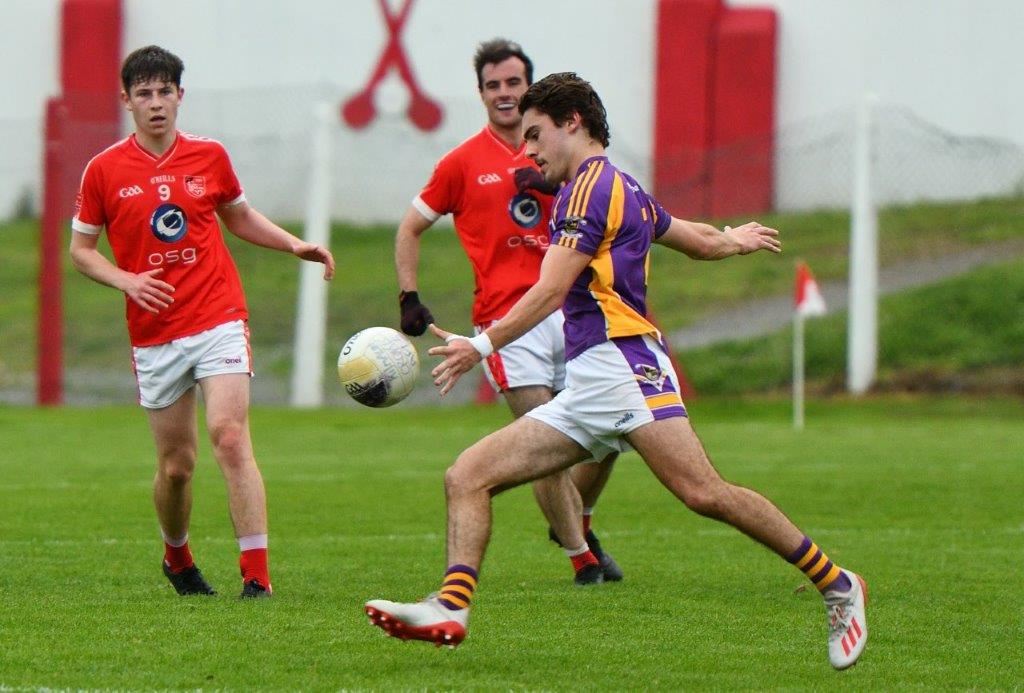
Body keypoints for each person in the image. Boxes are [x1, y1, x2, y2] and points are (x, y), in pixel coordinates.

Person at [366, 72, 868, 670]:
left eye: (534, 135)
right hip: (593, 380)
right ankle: (451, 605)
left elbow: (550, 289)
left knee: (704, 493)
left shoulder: (586, 191)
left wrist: (482, 344)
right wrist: (733, 239)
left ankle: (839, 584)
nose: (526, 152)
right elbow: (693, 239)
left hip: (624, 365)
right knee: (468, 475)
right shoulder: (622, 185)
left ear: (572, 122)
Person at [69, 45, 335, 599]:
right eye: (144, 93)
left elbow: (238, 216)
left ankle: (256, 579)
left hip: (218, 315)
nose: (156, 103)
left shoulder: (209, 156)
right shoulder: (104, 170)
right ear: (127, 101)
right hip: (155, 333)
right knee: (177, 467)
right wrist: (128, 280)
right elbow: (82, 251)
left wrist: (293, 244)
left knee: (231, 438)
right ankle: (177, 556)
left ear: (180, 96)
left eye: (165, 91)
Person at [395, 39, 620, 585]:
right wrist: (408, 296)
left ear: (529, 88)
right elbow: (410, 228)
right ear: (480, 93)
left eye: (513, 83)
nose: (504, 94)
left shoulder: (558, 149)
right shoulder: (461, 162)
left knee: (610, 429)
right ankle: (583, 560)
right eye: (493, 85)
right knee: (540, 434)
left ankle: (573, 520)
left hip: (573, 309)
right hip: (506, 322)